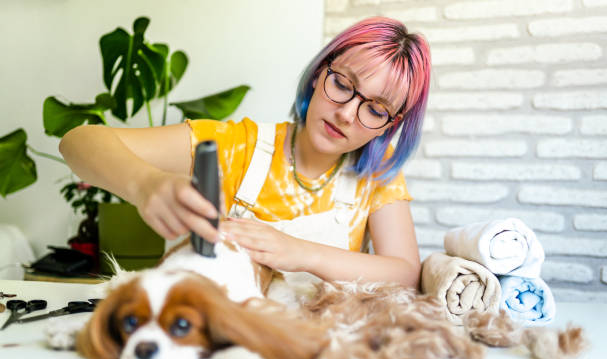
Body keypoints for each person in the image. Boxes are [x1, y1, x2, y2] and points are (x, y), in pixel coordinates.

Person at [59, 16, 431, 289]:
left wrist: (303, 253)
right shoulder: (240, 146)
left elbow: (405, 271)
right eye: (342, 84)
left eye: (376, 109)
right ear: (320, 73)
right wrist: (145, 184)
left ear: (390, 124)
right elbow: (77, 141)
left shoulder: (377, 172)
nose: (347, 113)